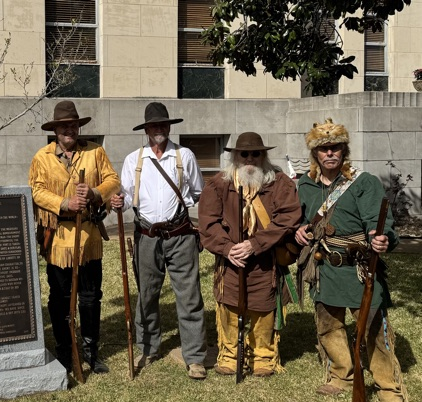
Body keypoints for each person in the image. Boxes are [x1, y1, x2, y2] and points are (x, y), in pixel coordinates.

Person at [295, 119, 413, 402]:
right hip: (323, 267)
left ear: (344, 150)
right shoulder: (305, 185)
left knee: (373, 329)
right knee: (329, 326)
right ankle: (341, 375)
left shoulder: (364, 182)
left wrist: (382, 238)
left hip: (359, 267)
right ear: (315, 154)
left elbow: (380, 222)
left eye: (335, 147)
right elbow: (298, 219)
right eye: (324, 149)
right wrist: (298, 230)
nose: (330, 153)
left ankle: (389, 390)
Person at [110, 102, 207, 380]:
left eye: (163, 125)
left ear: (169, 127)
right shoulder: (134, 159)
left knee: (189, 297)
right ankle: (148, 347)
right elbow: (127, 197)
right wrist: (119, 201)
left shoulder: (184, 155)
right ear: (146, 130)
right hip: (146, 236)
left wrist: (184, 204)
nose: (159, 130)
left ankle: (195, 357)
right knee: (147, 295)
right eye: (154, 126)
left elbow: (198, 190)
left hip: (180, 235)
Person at [197, 132, 301, 378]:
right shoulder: (218, 185)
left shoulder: (280, 183)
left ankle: (263, 355)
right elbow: (208, 222)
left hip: (265, 259)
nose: (250, 159)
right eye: (245, 154)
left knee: (263, 305)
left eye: (256, 153)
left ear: (263, 155)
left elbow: (288, 217)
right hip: (231, 260)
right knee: (229, 304)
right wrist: (227, 248)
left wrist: (256, 244)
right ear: (236, 156)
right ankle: (230, 354)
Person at [29, 100, 120, 374]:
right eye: (64, 126)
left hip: (88, 238)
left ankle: (91, 351)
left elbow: (113, 181)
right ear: (55, 130)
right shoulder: (41, 157)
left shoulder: (95, 152)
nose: (70, 130)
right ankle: (66, 351)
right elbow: (36, 191)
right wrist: (64, 203)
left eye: (74, 125)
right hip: (57, 239)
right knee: (60, 297)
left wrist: (93, 193)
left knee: (91, 297)